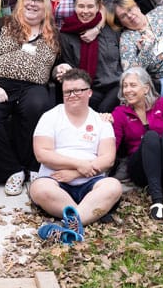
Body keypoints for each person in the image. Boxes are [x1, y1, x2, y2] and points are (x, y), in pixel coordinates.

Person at [0, 0, 58, 193]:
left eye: (38, 0)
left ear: (46, 6)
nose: (32, 3)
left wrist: (61, 68)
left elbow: (59, 63)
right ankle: (10, 170)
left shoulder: (53, 34)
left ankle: (32, 167)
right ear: (20, 3)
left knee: (38, 107)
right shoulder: (1, 24)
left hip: (34, 86)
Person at [30, 69, 122, 243]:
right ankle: (84, 218)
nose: (72, 95)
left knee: (113, 186)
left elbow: (108, 158)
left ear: (89, 92)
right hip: (55, 180)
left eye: (77, 90)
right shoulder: (50, 117)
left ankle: (68, 228)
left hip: (92, 181)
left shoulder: (101, 121)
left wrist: (77, 173)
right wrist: (79, 164)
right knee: (39, 189)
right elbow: (42, 154)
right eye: (67, 91)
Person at [112, 67, 163, 220]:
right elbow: (113, 144)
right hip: (141, 169)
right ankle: (156, 201)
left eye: (133, 85)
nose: (128, 90)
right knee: (150, 137)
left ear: (146, 88)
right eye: (125, 86)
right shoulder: (120, 113)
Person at [55, 0, 121, 113]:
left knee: (104, 109)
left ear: (98, 8)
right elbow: (70, 66)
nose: (85, 11)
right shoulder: (66, 34)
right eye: (81, 6)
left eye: (90, 6)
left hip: (116, 85)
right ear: (75, 7)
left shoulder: (111, 28)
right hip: (88, 87)